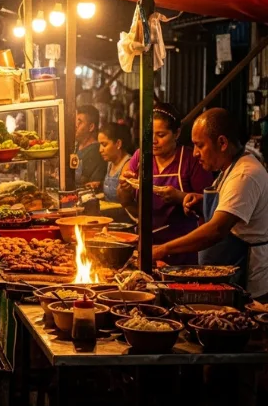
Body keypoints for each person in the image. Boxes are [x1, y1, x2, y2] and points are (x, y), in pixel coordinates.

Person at [153, 109, 268, 299]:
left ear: (222, 143)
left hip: (247, 285)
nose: (196, 153)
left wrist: (162, 249)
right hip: (226, 276)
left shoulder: (244, 174)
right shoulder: (229, 168)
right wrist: (199, 201)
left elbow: (216, 229)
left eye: (200, 145)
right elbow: (228, 207)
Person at [118, 102, 213, 265]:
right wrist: (125, 188)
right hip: (145, 246)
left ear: (176, 133)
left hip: (182, 250)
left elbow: (209, 208)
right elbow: (124, 201)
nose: (153, 141)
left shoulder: (192, 160)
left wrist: (179, 197)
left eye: (161, 135)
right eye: (149, 134)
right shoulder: (140, 157)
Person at [89, 123, 132, 203]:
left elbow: (126, 201)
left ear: (118, 144)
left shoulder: (128, 165)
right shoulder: (110, 162)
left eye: (104, 144)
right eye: (100, 145)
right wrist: (100, 185)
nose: (100, 150)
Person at [75, 105, 106, 186]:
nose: (75, 125)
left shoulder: (96, 151)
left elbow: (85, 183)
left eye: (79, 122)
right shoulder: (75, 146)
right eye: (75, 121)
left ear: (91, 127)